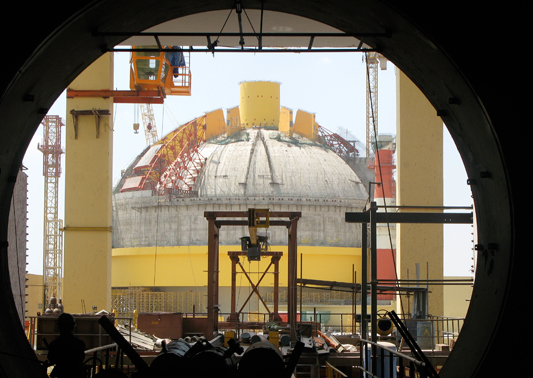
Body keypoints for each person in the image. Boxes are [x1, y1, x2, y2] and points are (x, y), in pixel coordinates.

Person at [47, 313, 86, 378]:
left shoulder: (54, 344)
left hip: (60, 374)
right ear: (72, 327)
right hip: (76, 374)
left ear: (59, 327)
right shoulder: (80, 344)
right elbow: (80, 359)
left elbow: (51, 359)